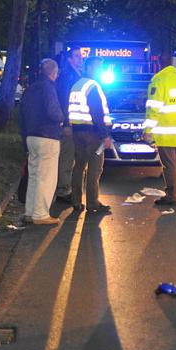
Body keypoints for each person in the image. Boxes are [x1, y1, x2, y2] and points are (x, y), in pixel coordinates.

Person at [142, 51, 176, 205]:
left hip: (165, 130)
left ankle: (171, 195)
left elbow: (153, 109)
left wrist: (147, 131)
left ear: (158, 64)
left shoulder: (159, 82)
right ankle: (175, 190)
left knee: (168, 163)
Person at [20, 58, 64, 225]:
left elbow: (22, 116)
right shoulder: (49, 87)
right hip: (48, 136)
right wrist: (61, 119)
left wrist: (24, 138)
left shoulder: (30, 89)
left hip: (31, 136)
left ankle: (30, 212)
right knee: (46, 177)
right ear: (54, 72)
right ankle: (41, 214)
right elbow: (53, 111)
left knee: (34, 175)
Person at [67, 56, 112, 213]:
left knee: (79, 167)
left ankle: (76, 201)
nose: (101, 71)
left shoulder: (76, 85)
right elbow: (97, 113)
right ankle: (93, 202)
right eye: (99, 68)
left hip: (77, 131)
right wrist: (105, 135)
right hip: (93, 133)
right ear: (91, 68)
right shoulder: (92, 86)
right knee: (95, 168)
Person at [55, 47, 84, 200]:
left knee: (70, 157)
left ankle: (66, 187)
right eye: (77, 56)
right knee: (67, 156)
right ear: (69, 59)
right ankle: (63, 190)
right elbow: (64, 100)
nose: (81, 58)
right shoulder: (68, 76)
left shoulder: (75, 74)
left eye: (81, 55)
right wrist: (66, 124)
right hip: (69, 125)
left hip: (73, 123)